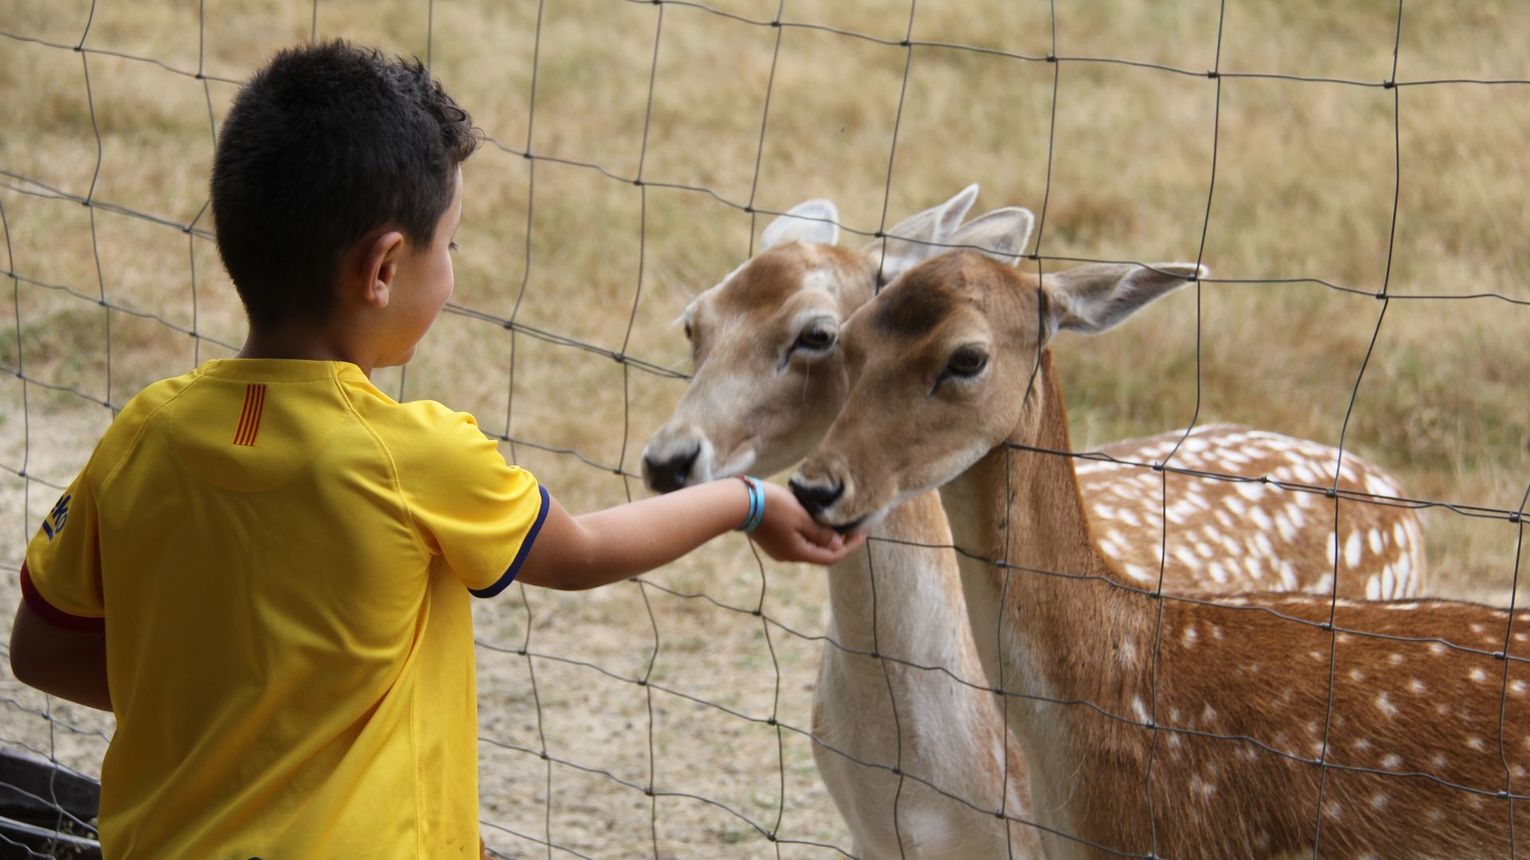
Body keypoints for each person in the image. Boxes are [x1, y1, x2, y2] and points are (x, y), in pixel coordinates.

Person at [8, 40, 860, 858]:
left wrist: (229, 716)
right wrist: (747, 503)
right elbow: (584, 552)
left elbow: (41, 650)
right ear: (383, 269)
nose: (453, 268)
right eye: (447, 246)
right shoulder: (414, 456)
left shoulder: (142, 435)